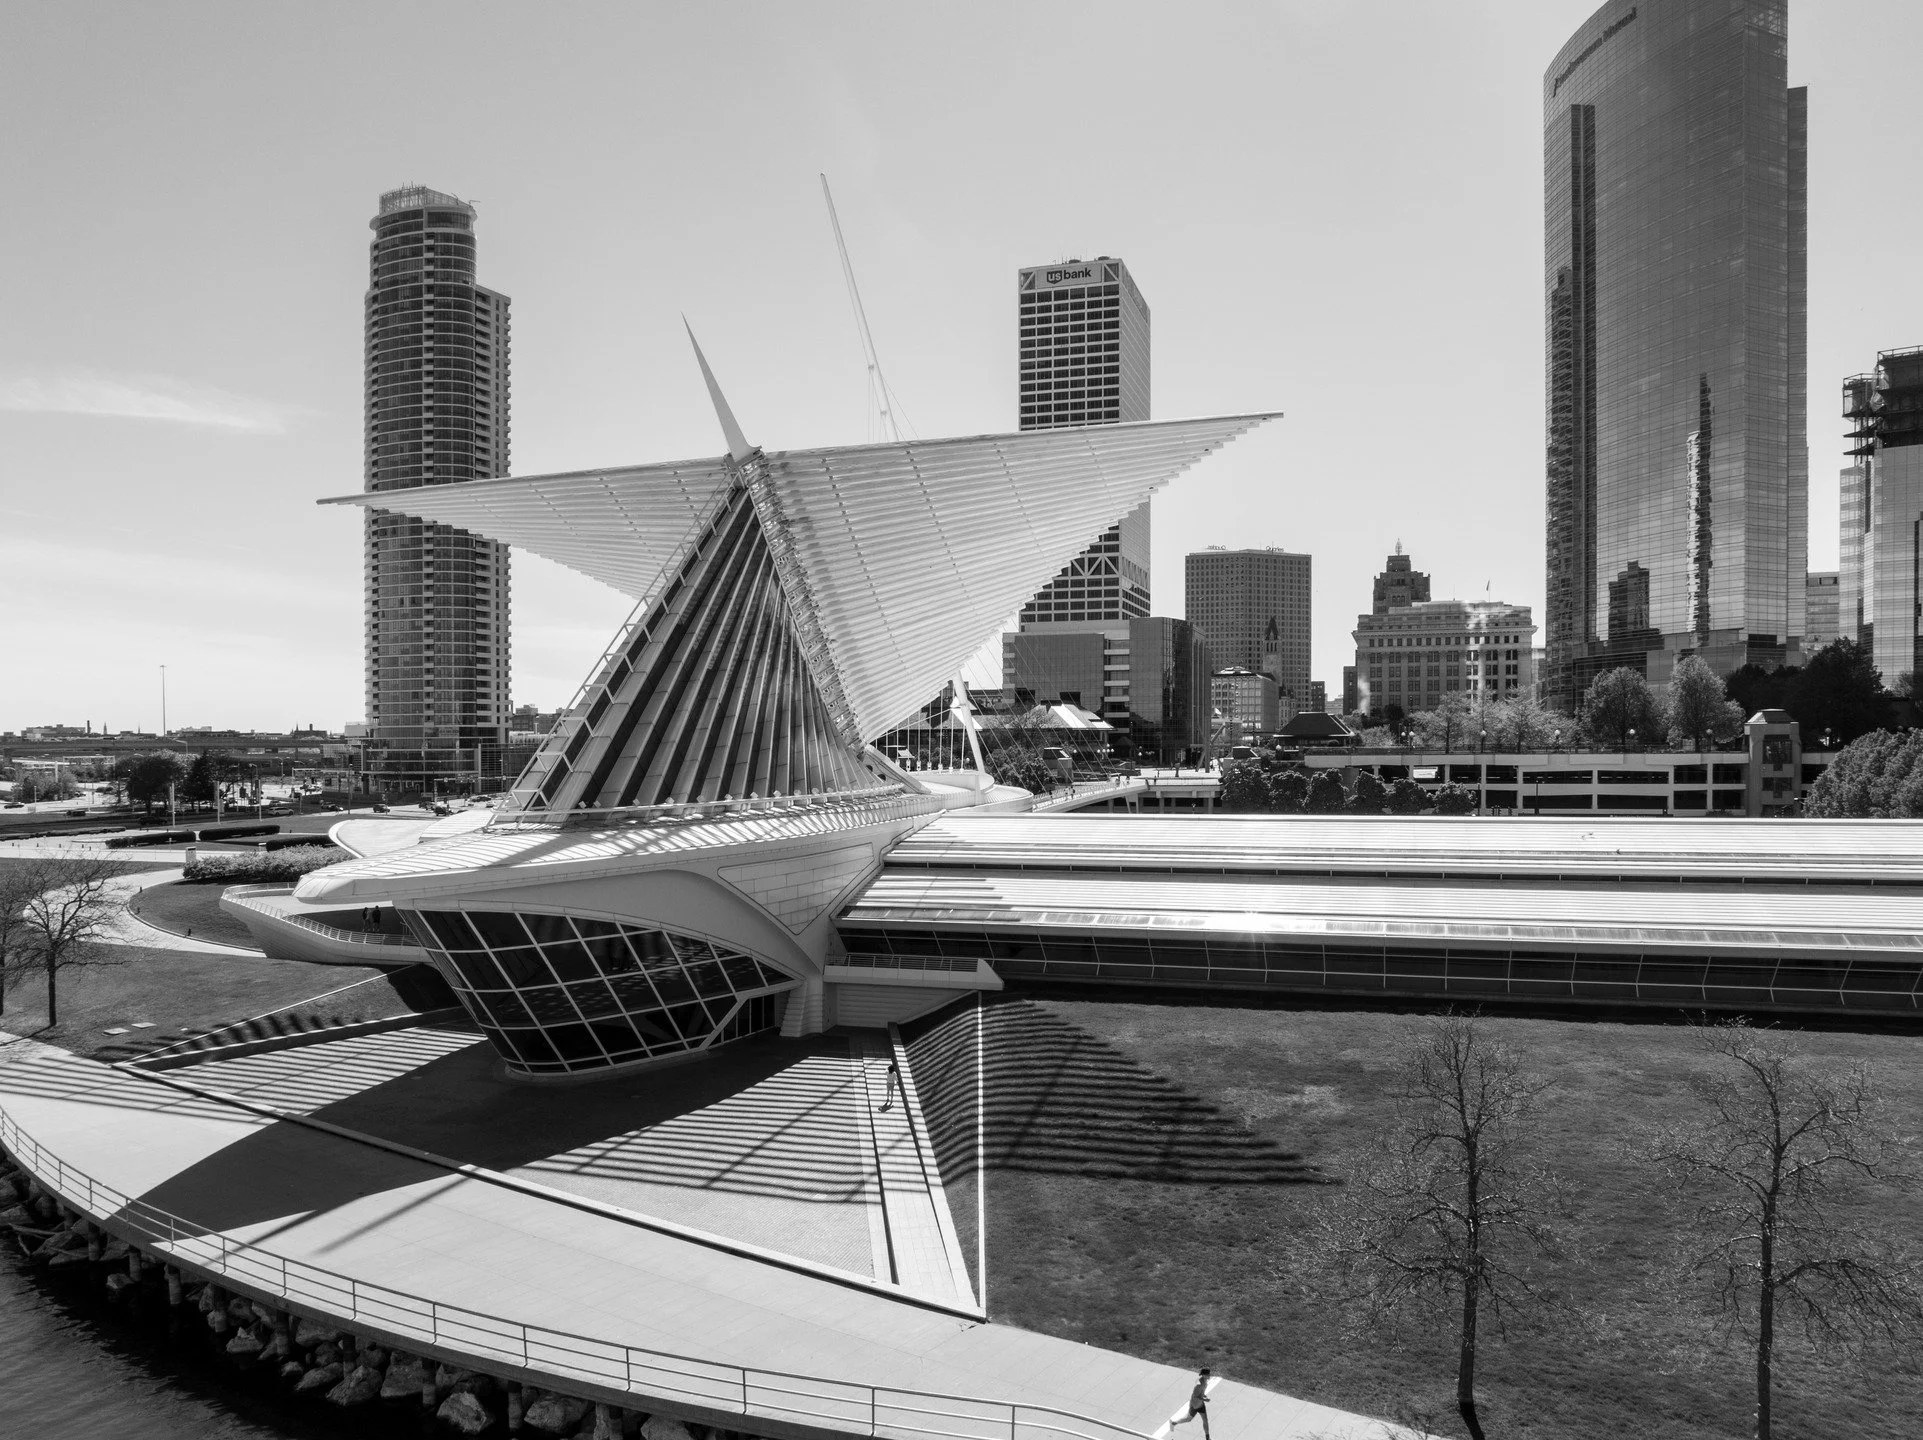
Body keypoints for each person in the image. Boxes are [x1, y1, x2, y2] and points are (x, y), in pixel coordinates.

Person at [1167, 1369, 1211, 1439]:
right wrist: (1204, 1399)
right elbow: (1195, 1396)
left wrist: (1203, 1395)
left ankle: (1207, 1438)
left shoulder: (1205, 1381)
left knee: (1205, 1420)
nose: (1209, 1375)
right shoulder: (1199, 1384)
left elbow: (1200, 1392)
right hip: (1195, 1405)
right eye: (1208, 1374)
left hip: (1200, 1404)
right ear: (1204, 1375)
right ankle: (1173, 1423)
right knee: (1188, 1419)